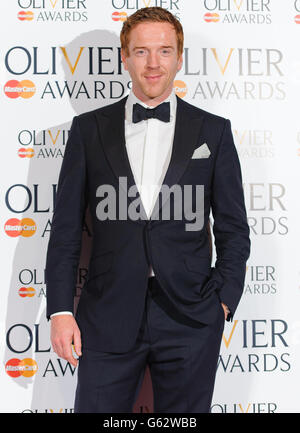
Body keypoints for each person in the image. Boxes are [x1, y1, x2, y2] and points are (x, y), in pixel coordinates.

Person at [46, 7, 250, 413]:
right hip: (105, 314)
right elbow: (66, 229)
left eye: (164, 51)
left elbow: (233, 227)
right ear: (124, 57)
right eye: (141, 52)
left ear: (179, 56)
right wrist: (60, 311)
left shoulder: (214, 130)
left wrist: (222, 300)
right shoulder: (88, 130)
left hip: (191, 316)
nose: (153, 64)